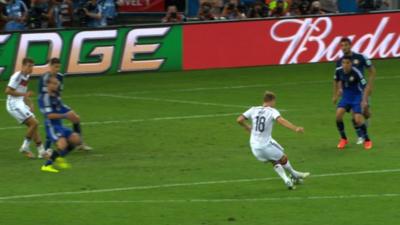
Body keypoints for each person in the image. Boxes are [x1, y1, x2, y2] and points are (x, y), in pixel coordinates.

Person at [237, 91, 310, 190]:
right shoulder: (272, 111)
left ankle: (288, 180)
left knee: (274, 160)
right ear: (272, 101)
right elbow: (281, 121)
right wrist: (295, 128)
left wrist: (247, 127)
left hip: (254, 146)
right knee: (283, 158)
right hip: (265, 144)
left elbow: (239, 119)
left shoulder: (253, 109)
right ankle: (294, 175)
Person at [38, 58, 92, 152]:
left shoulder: (60, 76)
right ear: (50, 66)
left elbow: (59, 91)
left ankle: (80, 144)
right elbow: (42, 93)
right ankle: (48, 148)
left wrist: (58, 102)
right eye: (55, 67)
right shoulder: (44, 77)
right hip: (47, 103)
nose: (57, 69)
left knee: (76, 118)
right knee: (51, 122)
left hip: (58, 102)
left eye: (59, 67)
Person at [336, 37, 376, 145]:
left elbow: (372, 70)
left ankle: (364, 126)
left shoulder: (360, 57)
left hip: (362, 89)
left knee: (365, 113)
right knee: (354, 115)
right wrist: (340, 88)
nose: (344, 48)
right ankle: (361, 136)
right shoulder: (340, 61)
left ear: (350, 45)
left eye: (346, 45)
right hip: (349, 92)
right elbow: (338, 76)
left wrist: (370, 85)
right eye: (342, 46)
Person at [5, 58, 47, 159]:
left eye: (32, 66)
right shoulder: (17, 76)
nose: (31, 68)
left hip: (20, 103)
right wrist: (24, 95)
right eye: (29, 66)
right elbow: (7, 91)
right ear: (23, 66)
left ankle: (41, 151)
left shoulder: (26, 76)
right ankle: (25, 147)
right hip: (13, 104)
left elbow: (23, 92)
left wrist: (30, 103)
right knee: (34, 123)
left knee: (33, 125)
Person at [39, 76, 82, 173]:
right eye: (54, 83)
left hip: (60, 126)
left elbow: (62, 106)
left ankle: (59, 157)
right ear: (48, 84)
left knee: (76, 139)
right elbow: (49, 115)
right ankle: (46, 165)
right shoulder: (45, 98)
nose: (56, 85)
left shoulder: (56, 96)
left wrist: (72, 114)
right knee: (62, 144)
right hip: (51, 126)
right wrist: (65, 115)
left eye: (57, 83)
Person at [333, 56, 372, 150]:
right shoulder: (338, 71)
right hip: (346, 97)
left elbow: (365, 86)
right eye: (343, 63)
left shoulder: (356, 72)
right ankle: (343, 139)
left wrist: (364, 100)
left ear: (351, 64)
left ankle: (367, 140)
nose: (345, 65)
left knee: (358, 120)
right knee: (338, 116)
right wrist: (336, 95)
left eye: (347, 63)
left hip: (356, 96)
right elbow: (336, 80)